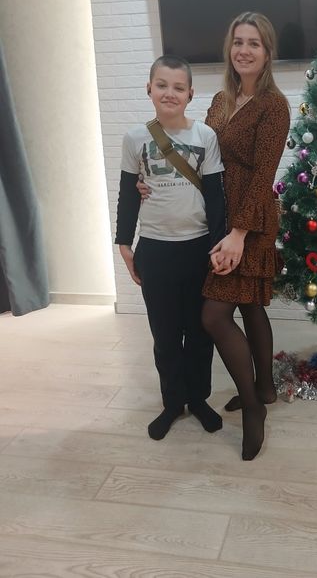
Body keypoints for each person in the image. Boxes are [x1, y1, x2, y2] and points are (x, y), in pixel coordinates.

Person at [115, 55, 226, 441]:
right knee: (164, 336)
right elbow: (128, 194)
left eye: (179, 87)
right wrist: (124, 243)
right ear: (149, 88)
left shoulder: (205, 137)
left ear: (190, 94)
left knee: (199, 333)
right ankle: (172, 402)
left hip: (198, 250)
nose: (169, 93)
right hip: (155, 250)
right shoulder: (135, 139)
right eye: (162, 85)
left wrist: (217, 246)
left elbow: (216, 197)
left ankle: (198, 399)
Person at [201, 12, 290, 460]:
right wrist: (152, 181)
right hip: (221, 214)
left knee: (214, 316)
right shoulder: (220, 100)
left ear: (267, 52)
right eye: (238, 41)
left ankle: (253, 406)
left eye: (254, 43)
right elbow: (198, 153)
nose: (244, 50)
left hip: (250, 221)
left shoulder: (274, 105)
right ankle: (266, 388)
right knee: (251, 304)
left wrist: (238, 234)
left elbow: (263, 176)